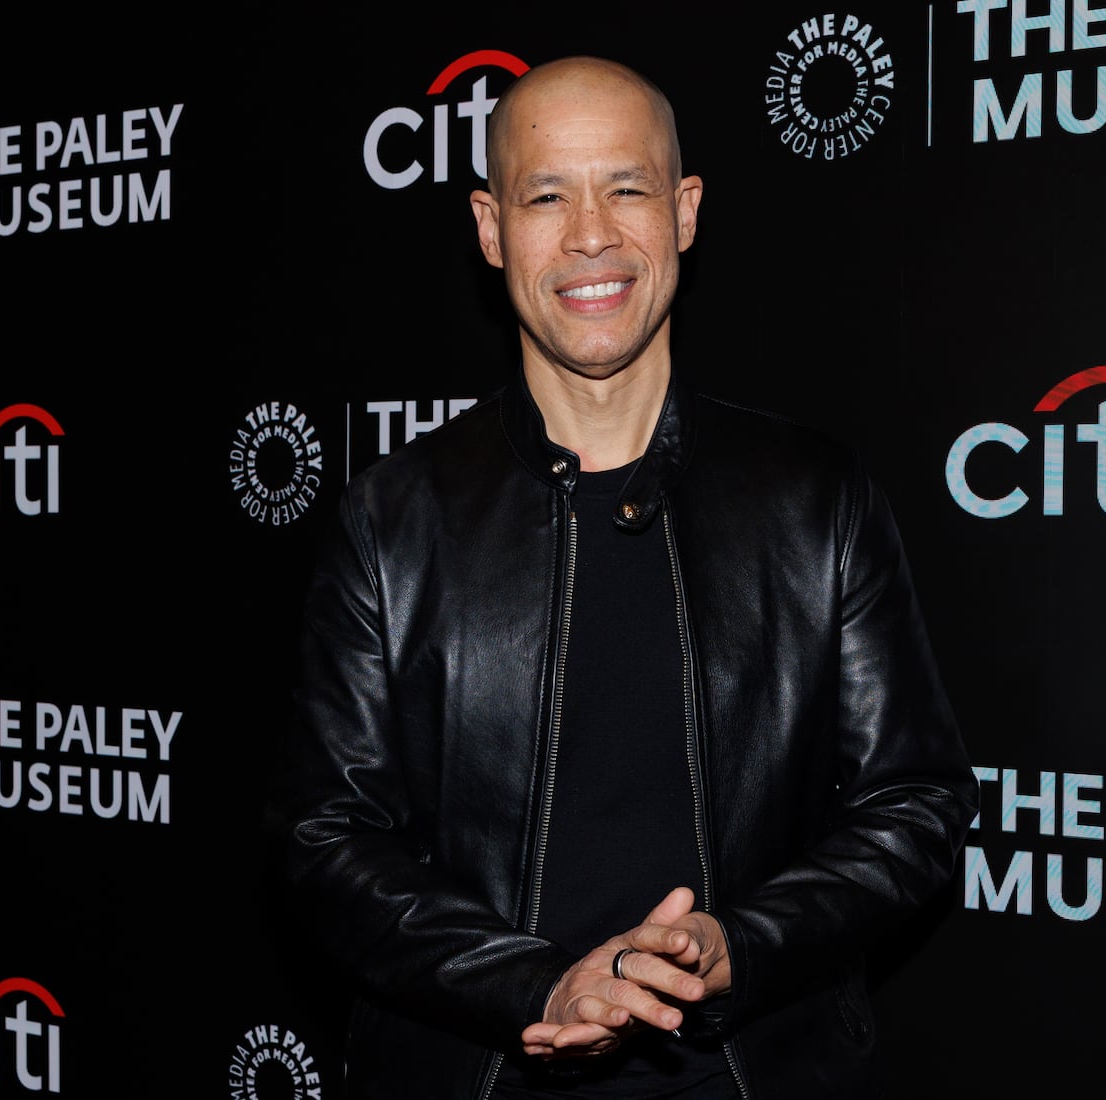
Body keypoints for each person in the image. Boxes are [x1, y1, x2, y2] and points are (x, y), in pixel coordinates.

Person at [275, 55, 978, 1098]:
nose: (591, 233)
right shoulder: (392, 516)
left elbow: (914, 803)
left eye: (628, 187)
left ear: (685, 212)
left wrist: (736, 943)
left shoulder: (812, 496)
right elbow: (323, 841)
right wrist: (535, 984)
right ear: (489, 227)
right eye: (546, 194)